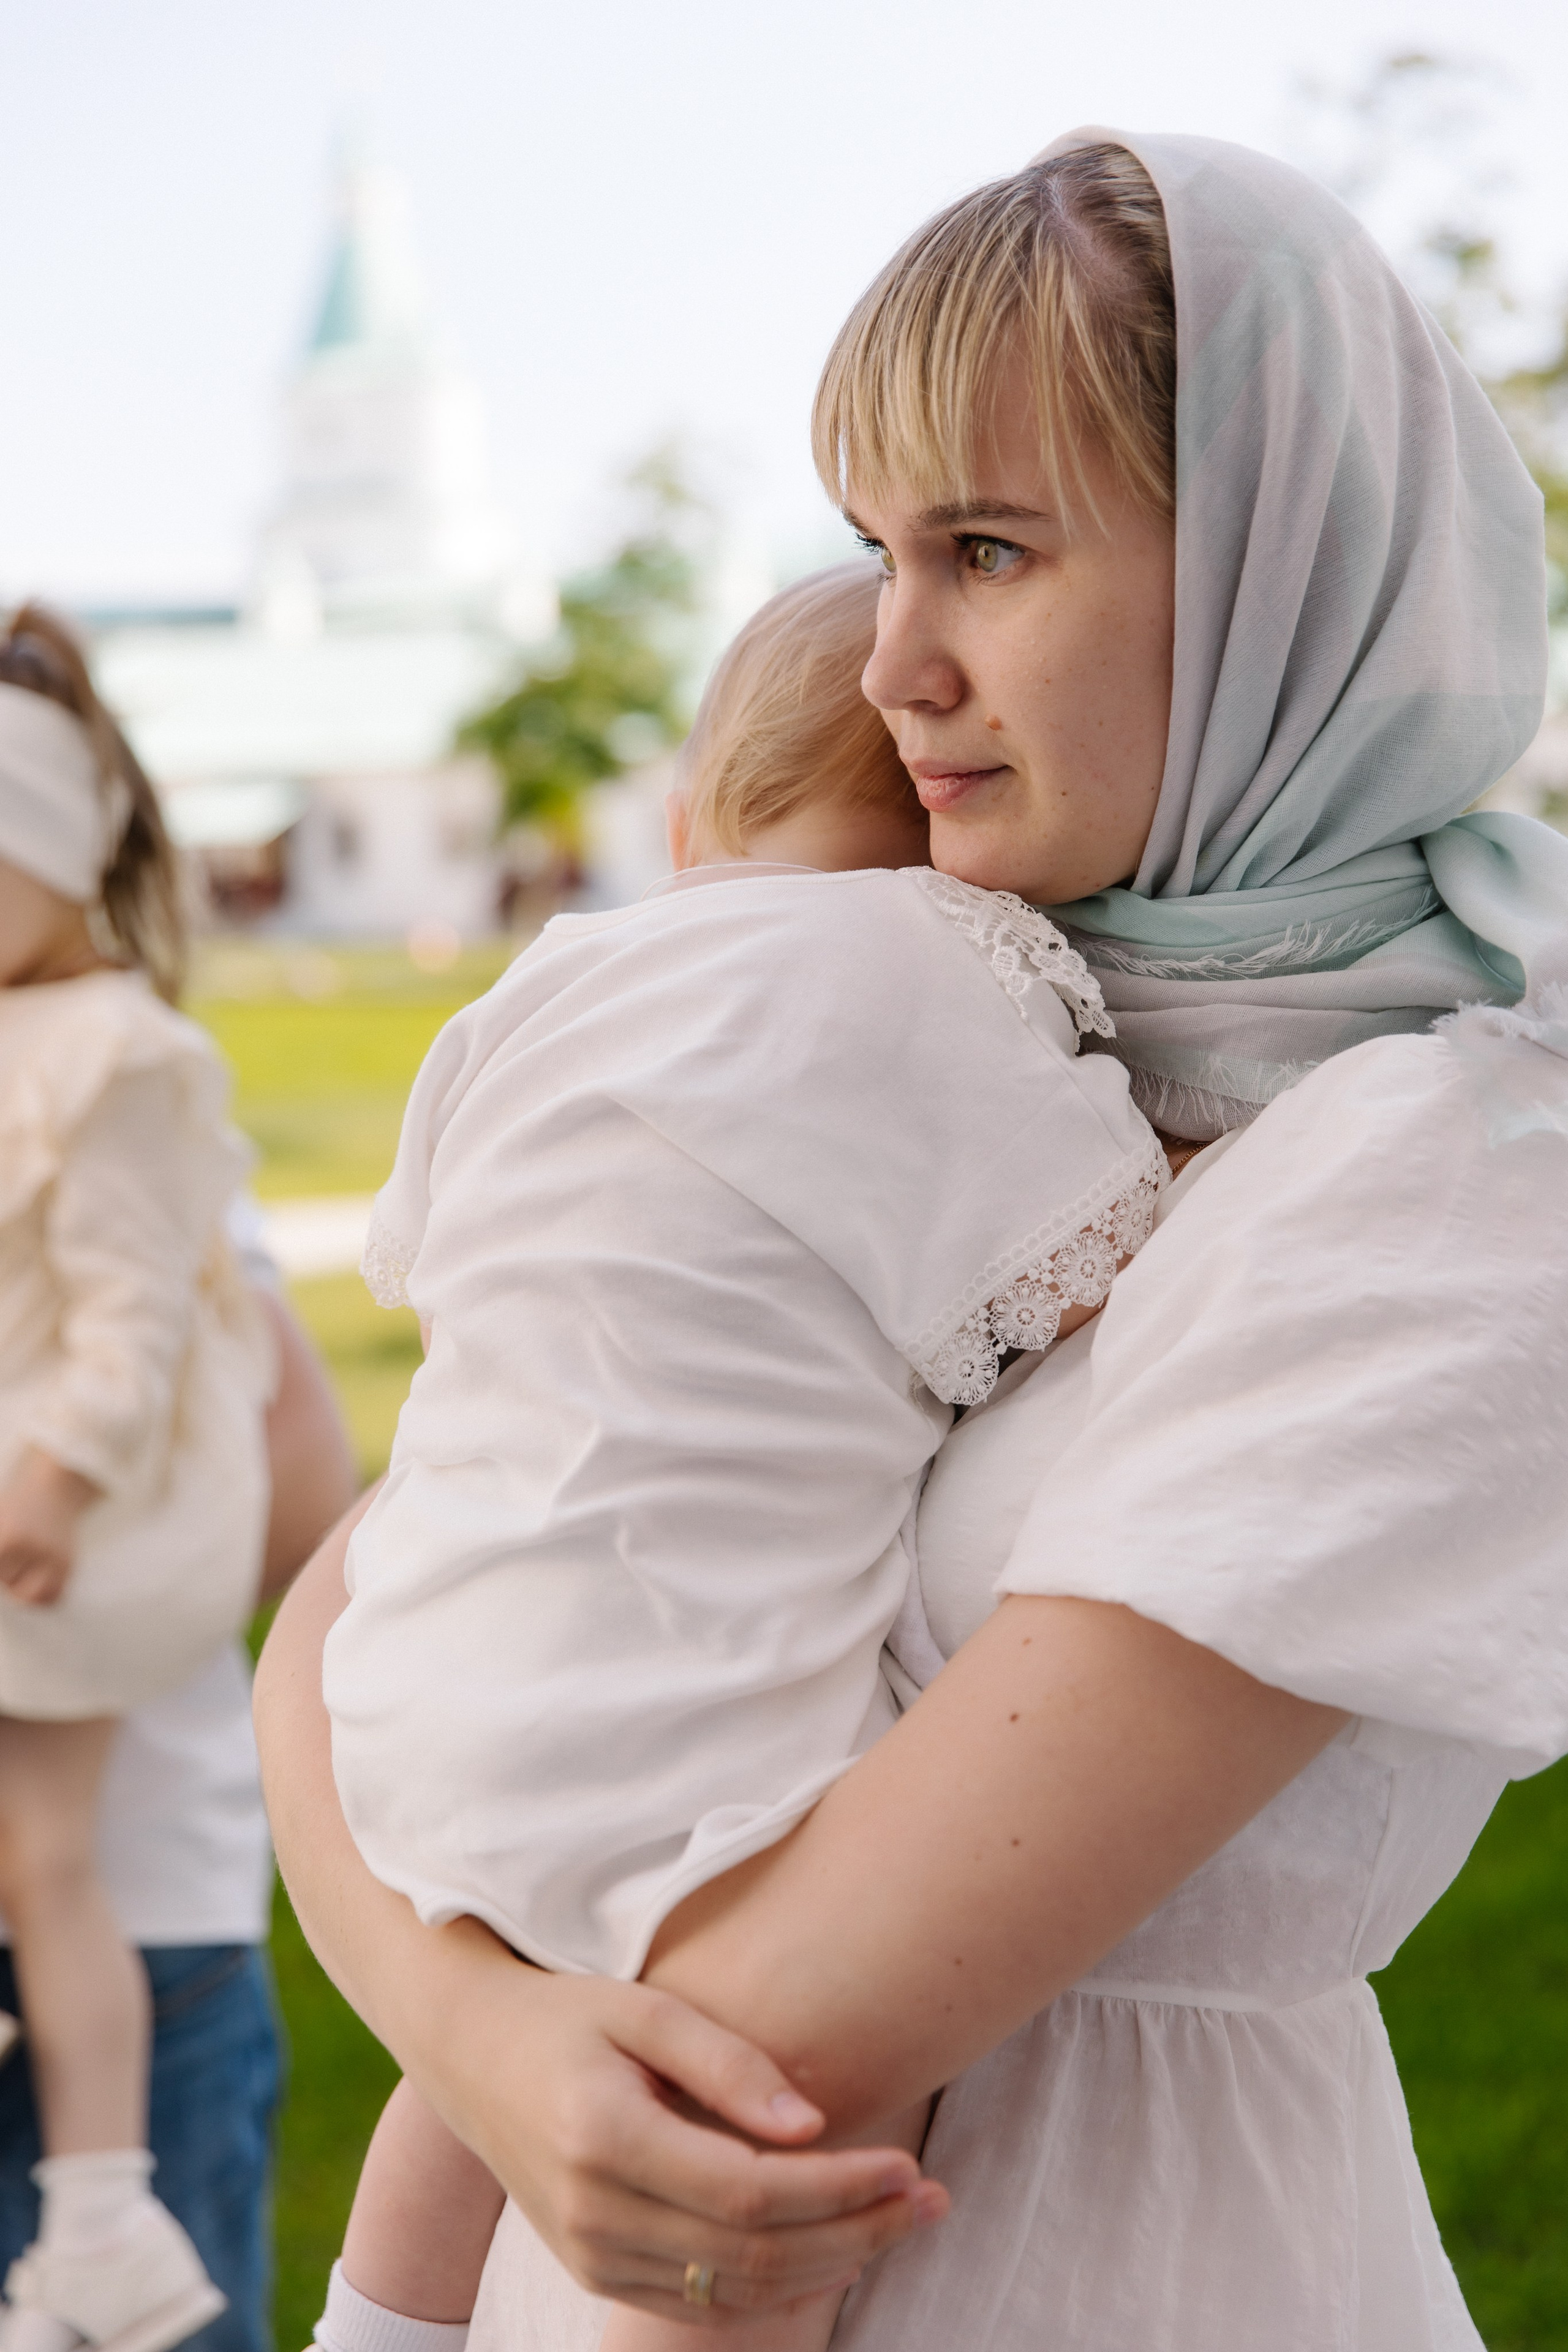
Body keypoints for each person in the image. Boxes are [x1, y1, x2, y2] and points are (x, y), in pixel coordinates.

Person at [254, 131, 1568, 2350]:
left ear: (1283, 577)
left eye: (988, 550)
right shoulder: (910, 1016)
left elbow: (778, 2043)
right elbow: (366, 1589)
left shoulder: (1456, 1165)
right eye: (875, 554)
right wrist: (484, 2041)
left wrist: (475, 2020)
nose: (888, 663)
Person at [307, 561, 1163, 2352]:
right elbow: (1095, 1272)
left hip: (416, 1673)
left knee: (480, 2065)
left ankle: (379, 2327)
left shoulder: (553, 980)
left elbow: (434, 1263)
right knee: (785, 2106)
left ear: (689, 824)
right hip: (673, 1723)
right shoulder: (938, 969)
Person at [0, 608, 279, 2352]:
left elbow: (137, 1319)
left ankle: (102, 2219)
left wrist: (59, 1478)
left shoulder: (120, 1056)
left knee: (47, 1860)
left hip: (57, 1539)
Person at [0, 1212, 358, 2352]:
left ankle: (102, 2235)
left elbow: (304, 1485)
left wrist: (66, 1594)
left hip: (139, 1920)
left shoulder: (108, 1174)